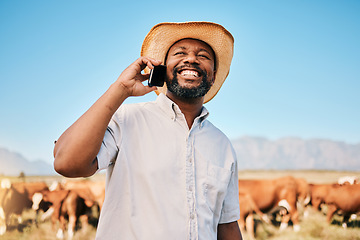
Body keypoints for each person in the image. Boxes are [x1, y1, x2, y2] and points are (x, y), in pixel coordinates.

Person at [54, 21, 242, 240]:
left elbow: (226, 226)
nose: (191, 59)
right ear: (162, 69)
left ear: (212, 75)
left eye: (203, 56)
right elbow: (66, 163)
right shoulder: (126, 120)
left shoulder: (222, 144)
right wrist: (121, 89)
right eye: (180, 53)